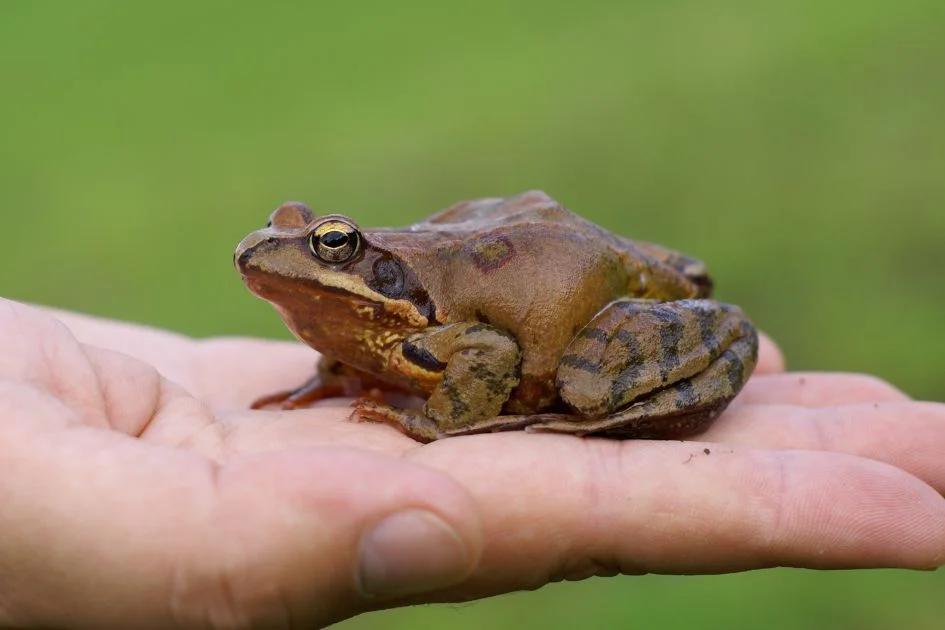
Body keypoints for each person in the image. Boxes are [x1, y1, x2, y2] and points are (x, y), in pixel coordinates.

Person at [1, 298, 943, 629]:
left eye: (332, 246)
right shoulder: (382, 329)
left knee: (576, 381)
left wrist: (438, 426)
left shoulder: (432, 325)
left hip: (577, 325)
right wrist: (336, 370)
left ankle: (593, 411)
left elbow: (488, 355)